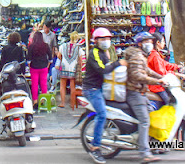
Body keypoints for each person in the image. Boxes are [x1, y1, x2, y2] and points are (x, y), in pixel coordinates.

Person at [83, 28, 126, 164]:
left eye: (108, 39)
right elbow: (102, 69)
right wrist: (118, 63)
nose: (106, 41)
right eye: (102, 39)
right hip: (92, 89)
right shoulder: (94, 53)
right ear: (95, 41)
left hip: (101, 88)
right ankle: (96, 147)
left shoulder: (104, 52)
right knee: (102, 114)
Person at [125, 32, 166, 163]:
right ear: (140, 43)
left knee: (153, 115)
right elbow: (138, 76)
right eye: (146, 41)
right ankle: (144, 153)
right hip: (135, 93)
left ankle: (151, 145)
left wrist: (161, 78)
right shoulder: (137, 57)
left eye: (150, 41)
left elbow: (148, 71)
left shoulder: (142, 56)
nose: (149, 44)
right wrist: (156, 81)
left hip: (140, 93)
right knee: (145, 121)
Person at [146, 33, 183, 105]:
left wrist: (176, 66)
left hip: (158, 84)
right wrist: (176, 74)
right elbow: (161, 72)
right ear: (158, 42)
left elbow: (165, 64)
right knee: (170, 103)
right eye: (163, 41)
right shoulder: (155, 56)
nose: (164, 43)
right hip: (156, 86)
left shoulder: (155, 54)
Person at [57, 31, 84, 108]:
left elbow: (59, 55)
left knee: (63, 85)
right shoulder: (78, 48)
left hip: (64, 66)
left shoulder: (63, 46)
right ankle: (72, 103)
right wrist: (80, 68)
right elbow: (80, 60)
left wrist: (63, 60)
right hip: (73, 67)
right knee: (72, 86)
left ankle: (62, 103)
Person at [27, 31, 52, 106]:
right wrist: (47, 65)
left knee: (34, 85)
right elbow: (50, 58)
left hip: (34, 67)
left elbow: (28, 59)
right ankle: (43, 101)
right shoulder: (46, 45)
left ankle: (35, 101)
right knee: (43, 84)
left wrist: (29, 66)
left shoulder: (31, 46)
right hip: (44, 67)